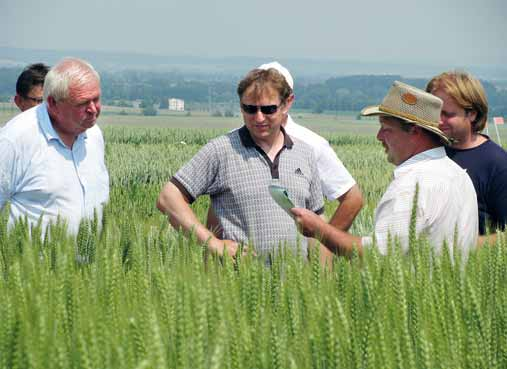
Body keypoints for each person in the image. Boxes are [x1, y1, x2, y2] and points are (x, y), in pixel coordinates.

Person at [291, 81, 478, 259]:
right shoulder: (459, 175)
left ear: (414, 131)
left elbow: (378, 256)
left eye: (386, 129)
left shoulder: (412, 185)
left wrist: (320, 230)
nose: (378, 136)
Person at [157, 68, 324, 258]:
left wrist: (325, 281)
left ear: (287, 104)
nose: (259, 117)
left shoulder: (305, 153)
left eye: (268, 109)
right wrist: (213, 244)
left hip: (297, 285)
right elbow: (168, 198)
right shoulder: (221, 150)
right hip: (239, 283)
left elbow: (318, 226)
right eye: (250, 109)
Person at [0, 58, 109, 235]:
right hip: (32, 261)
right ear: (52, 103)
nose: (93, 109)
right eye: (82, 103)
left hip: (92, 261)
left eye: (96, 99)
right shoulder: (14, 140)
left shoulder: (94, 134)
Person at [426, 71, 507, 238]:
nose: (439, 121)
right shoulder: (427, 150)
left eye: (448, 114)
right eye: (435, 112)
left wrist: (462, 249)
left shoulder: (497, 163)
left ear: (472, 114)